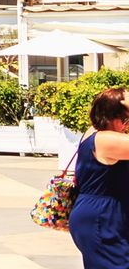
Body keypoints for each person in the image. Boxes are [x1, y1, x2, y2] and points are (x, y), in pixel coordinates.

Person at [69, 86, 129, 269]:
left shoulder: (93, 132)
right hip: (103, 218)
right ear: (113, 115)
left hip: (103, 216)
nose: (127, 125)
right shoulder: (105, 139)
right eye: (125, 119)